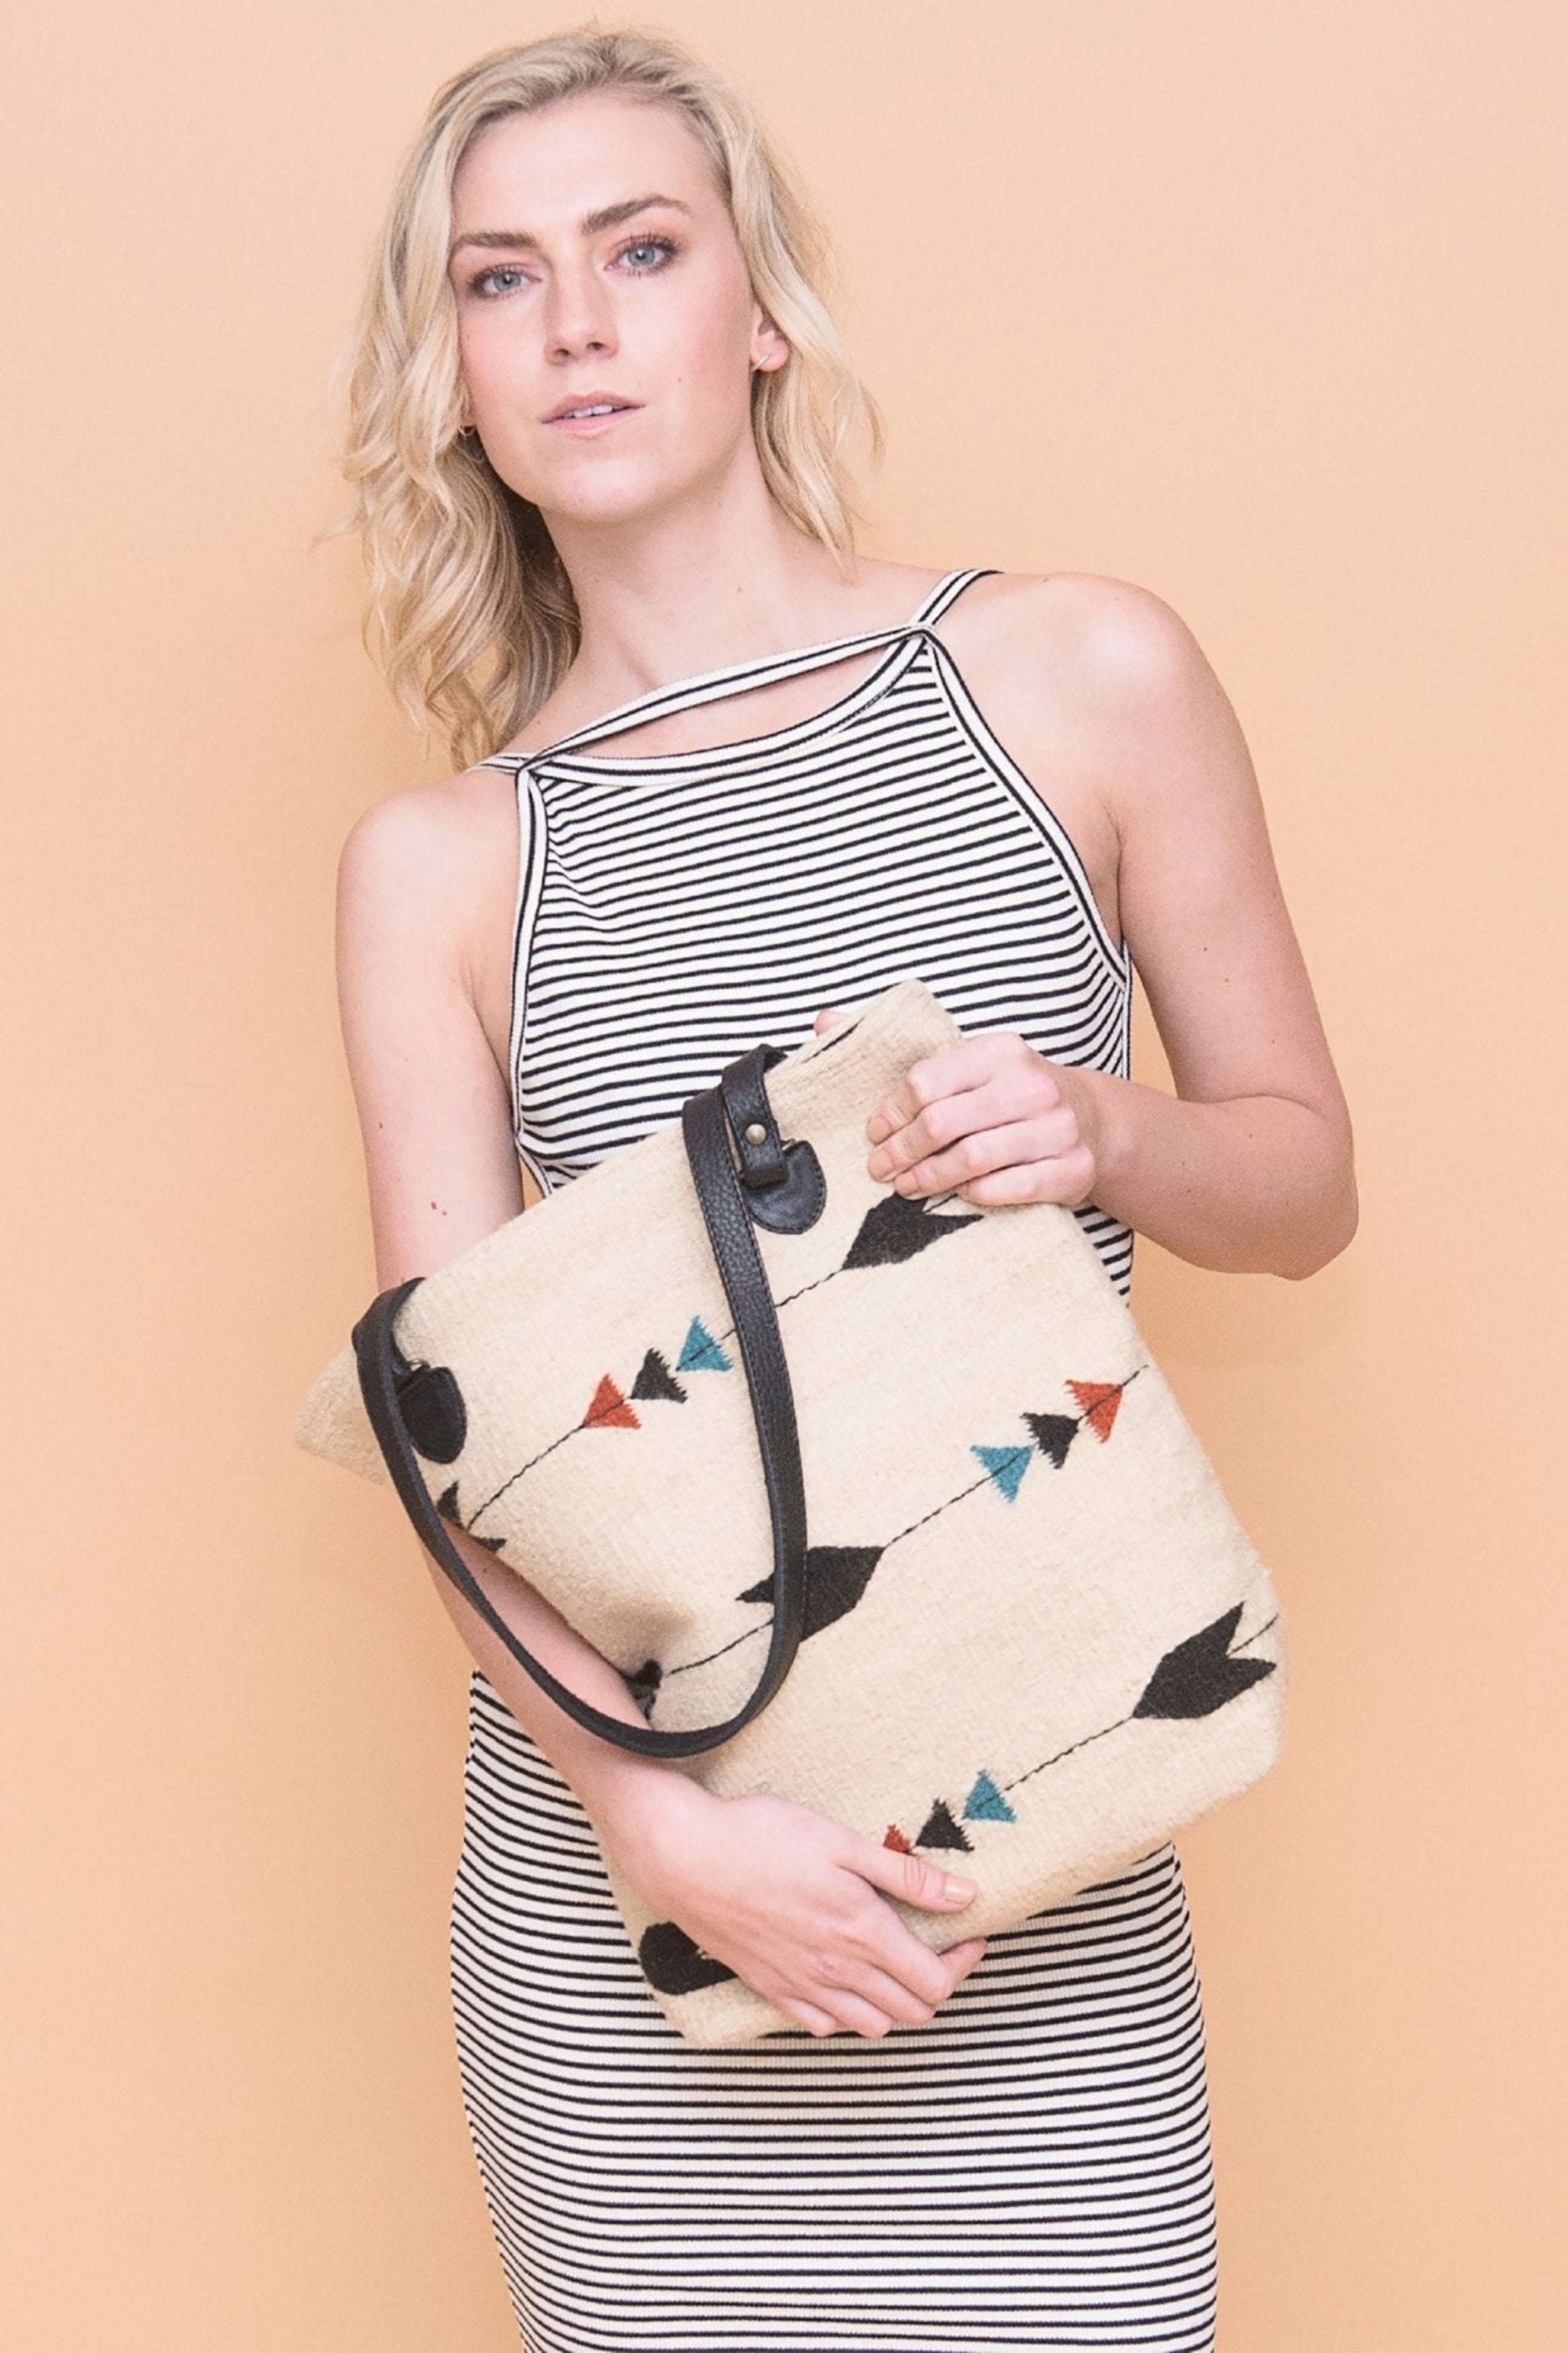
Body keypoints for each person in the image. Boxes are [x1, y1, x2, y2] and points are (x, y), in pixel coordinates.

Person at [332, 26, 1356, 2351]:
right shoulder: (445, 870)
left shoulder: (1075, 672)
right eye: (502, 281)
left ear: (761, 308)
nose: (577, 322)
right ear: (458, 379)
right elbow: (456, 1446)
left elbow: (1303, 1187)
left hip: (1035, 1851)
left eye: (642, 249)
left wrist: (1107, 1134)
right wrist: (658, 1834)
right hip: (651, 1882)